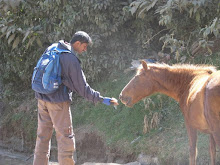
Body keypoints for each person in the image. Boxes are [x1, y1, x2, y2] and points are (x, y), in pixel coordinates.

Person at [33, 31, 119, 165]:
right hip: (58, 102)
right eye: (84, 46)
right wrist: (101, 99)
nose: (85, 50)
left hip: (41, 98)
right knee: (65, 138)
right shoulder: (70, 59)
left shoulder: (54, 47)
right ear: (77, 43)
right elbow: (82, 88)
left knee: (42, 137)